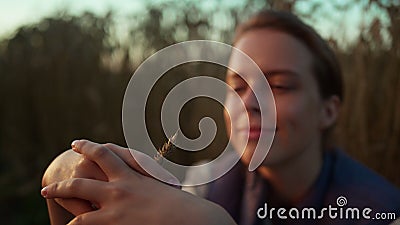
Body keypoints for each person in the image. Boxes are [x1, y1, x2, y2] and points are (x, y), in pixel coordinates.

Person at [41, 10, 400, 225]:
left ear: (328, 110)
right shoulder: (203, 183)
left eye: (279, 86)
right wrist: (71, 168)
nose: (251, 103)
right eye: (238, 86)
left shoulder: (380, 211)